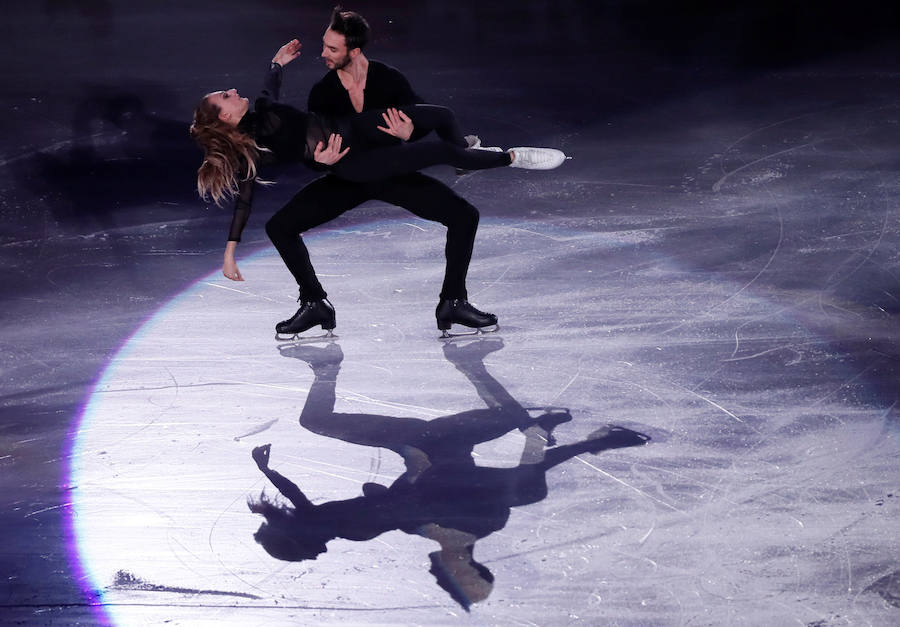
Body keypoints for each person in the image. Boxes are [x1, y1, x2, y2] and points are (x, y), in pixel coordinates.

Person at [191, 8, 565, 339]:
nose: (232, 90)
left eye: (331, 48)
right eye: (225, 95)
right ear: (225, 116)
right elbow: (247, 193)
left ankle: (452, 301)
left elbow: (268, 88)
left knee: (453, 176)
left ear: (353, 51)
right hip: (351, 170)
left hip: (372, 149)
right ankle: (511, 158)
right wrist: (230, 253)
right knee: (280, 227)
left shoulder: (385, 78)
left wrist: (277, 63)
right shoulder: (286, 119)